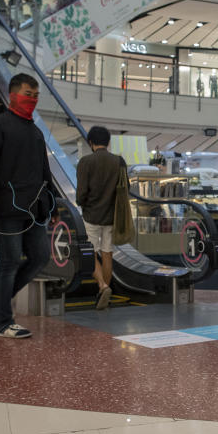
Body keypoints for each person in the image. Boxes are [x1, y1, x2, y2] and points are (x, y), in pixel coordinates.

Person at [0, 73, 56, 339]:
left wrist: (53, 205)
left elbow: (45, 172)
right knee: (9, 261)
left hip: (34, 209)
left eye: (35, 96)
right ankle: (2, 322)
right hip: (4, 207)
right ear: (12, 95)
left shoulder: (35, 132)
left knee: (40, 257)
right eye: (27, 94)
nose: (31, 100)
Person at [76, 126, 123, 310]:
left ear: (91, 143)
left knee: (91, 251)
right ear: (108, 142)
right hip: (112, 215)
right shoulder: (119, 162)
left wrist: (82, 203)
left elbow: (81, 193)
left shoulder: (85, 162)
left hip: (91, 214)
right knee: (107, 252)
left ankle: (102, 286)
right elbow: (124, 187)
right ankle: (105, 291)